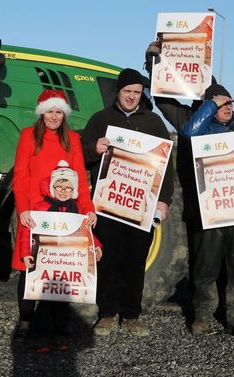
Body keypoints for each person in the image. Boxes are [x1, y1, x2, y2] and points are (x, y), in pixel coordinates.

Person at [81, 68, 175, 337]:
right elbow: (83, 154)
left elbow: (166, 165)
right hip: (109, 203)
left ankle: (132, 314)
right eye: (127, 92)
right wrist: (94, 150)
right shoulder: (101, 119)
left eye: (136, 92)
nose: (132, 97)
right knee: (109, 260)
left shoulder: (154, 123)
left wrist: (165, 200)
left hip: (141, 205)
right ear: (118, 93)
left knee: (135, 260)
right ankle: (108, 313)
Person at [176, 83, 234, 338]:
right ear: (209, 106)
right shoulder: (201, 127)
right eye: (222, 104)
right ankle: (203, 314)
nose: (228, 108)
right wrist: (211, 104)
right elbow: (187, 133)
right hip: (211, 209)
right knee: (206, 264)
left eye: (230, 103)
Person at [12, 89, 96, 340]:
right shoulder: (28, 136)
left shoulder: (72, 139)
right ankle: (26, 320)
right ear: (42, 112)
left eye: (59, 111)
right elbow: (21, 175)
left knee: (58, 267)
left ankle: (56, 324)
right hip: (35, 214)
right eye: (50, 110)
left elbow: (80, 179)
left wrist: (88, 210)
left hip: (62, 215)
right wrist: (23, 209)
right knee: (29, 265)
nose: (54, 116)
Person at [17, 160, 102, 352]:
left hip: (67, 266)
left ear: (73, 190)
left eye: (67, 187)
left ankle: (61, 334)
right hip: (45, 264)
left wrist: (96, 247)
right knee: (44, 303)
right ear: (51, 187)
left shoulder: (78, 210)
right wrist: (25, 253)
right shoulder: (40, 208)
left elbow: (87, 233)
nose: (63, 191)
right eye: (59, 186)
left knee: (63, 304)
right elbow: (26, 232)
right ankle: (42, 337)